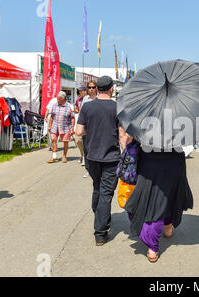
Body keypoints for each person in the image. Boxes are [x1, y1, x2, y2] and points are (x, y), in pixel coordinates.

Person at [120, 134, 194, 263]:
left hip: (150, 160)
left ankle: (153, 248)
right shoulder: (179, 116)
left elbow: (127, 137)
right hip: (175, 159)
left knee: (152, 201)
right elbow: (191, 140)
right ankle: (168, 227)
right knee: (170, 195)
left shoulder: (145, 115)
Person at [76, 76, 121, 246]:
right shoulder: (117, 107)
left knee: (97, 186)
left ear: (97, 88)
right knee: (106, 193)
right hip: (111, 157)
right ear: (111, 89)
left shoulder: (87, 106)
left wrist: (92, 129)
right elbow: (122, 133)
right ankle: (100, 233)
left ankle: (100, 216)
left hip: (91, 156)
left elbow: (79, 131)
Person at [47, 91, 75, 163]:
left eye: (59, 99)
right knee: (53, 139)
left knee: (65, 141)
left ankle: (64, 156)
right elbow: (52, 116)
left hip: (65, 127)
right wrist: (50, 125)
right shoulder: (55, 105)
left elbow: (72, 118)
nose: (58, 100)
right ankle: (54, 156)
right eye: (57, 99)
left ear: (64, 99)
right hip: (55, 126)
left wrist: (72, 128)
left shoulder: (69, 106)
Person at [81, 81, 98, 177]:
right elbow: (82, 114)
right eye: (89, 87)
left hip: (96, 128)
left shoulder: (99, 98)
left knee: (95, 149)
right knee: (86, 149)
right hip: (86, 128)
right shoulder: (85, 99)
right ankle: (89, 169)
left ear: (96, 88)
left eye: (93, 87)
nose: (91, 89)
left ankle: (96, 169)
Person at [74, 85, 88, 164]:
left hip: (88, 123)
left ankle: (85, 157)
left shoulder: (90, 99)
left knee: (87, 141)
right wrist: (76, 110)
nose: (80, 92)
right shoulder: (78, 99)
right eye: (79, 91)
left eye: (81, 91)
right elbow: (76, 108)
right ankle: (82, 155)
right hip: (80, 122)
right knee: (78, 140)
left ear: (85, 91)